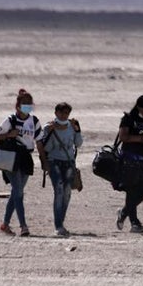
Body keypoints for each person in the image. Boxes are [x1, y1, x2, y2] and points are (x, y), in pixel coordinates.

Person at [0, 88, 39, 237]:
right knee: (18, 193)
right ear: (17, 105)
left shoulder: (34, 121)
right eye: (25, 103)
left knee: (16, 193)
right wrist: (8, 135)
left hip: (26, 158)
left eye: (29, 103)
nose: (27, 106)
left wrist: (44, 160)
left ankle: (5, 224)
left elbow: (40, 140)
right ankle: (23, 226)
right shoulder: (10, 120)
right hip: (11, 158)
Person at [36, 102, 83, 238]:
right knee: (59, 190)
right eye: (61, 113)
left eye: (66, 113)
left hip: (69, 162)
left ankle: (60, 222)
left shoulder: (72, 126)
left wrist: (77, 130)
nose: (64, 115)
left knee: (67, 192)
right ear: (56, 113)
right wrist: (51, 132)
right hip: (54, 161)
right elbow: (46, 148)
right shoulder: (48, 127)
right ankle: (58, 226)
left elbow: (78, 143)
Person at [116, 94, 143, 233]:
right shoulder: (128, 119)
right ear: (139, 107)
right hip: (129, 160)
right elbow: (123, 137)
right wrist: (141, 139)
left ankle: (123, 212)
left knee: (142, 192)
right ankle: (134, 223)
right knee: (132, 191)